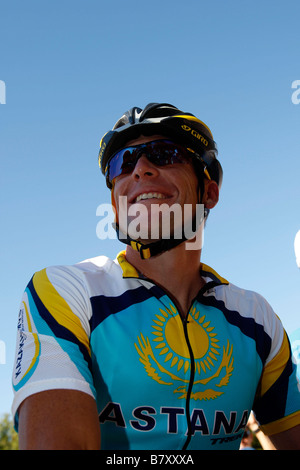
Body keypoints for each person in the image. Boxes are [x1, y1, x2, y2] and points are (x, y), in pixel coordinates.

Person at [12, 103, 300, 450]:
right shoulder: (66, 291)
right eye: (124, 162)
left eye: (164, 154)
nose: (141, 169)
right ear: (116, 205)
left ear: (208, 193)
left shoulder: (258, 319)